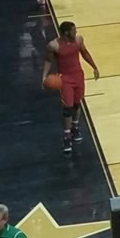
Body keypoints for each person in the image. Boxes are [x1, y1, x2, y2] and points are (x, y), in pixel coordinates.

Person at [44, 19, 99, 153]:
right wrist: (44, 76)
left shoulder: (79, 40)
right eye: (73, 30)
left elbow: (85, 53)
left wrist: (94, 67)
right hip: (65, 78)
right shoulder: (54, 45)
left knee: (76, 104)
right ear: (65, 32)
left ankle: (75, 128)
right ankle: (67, 136)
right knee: (67, 108)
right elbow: (48, 60)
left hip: (78, 76)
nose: (76, 32)